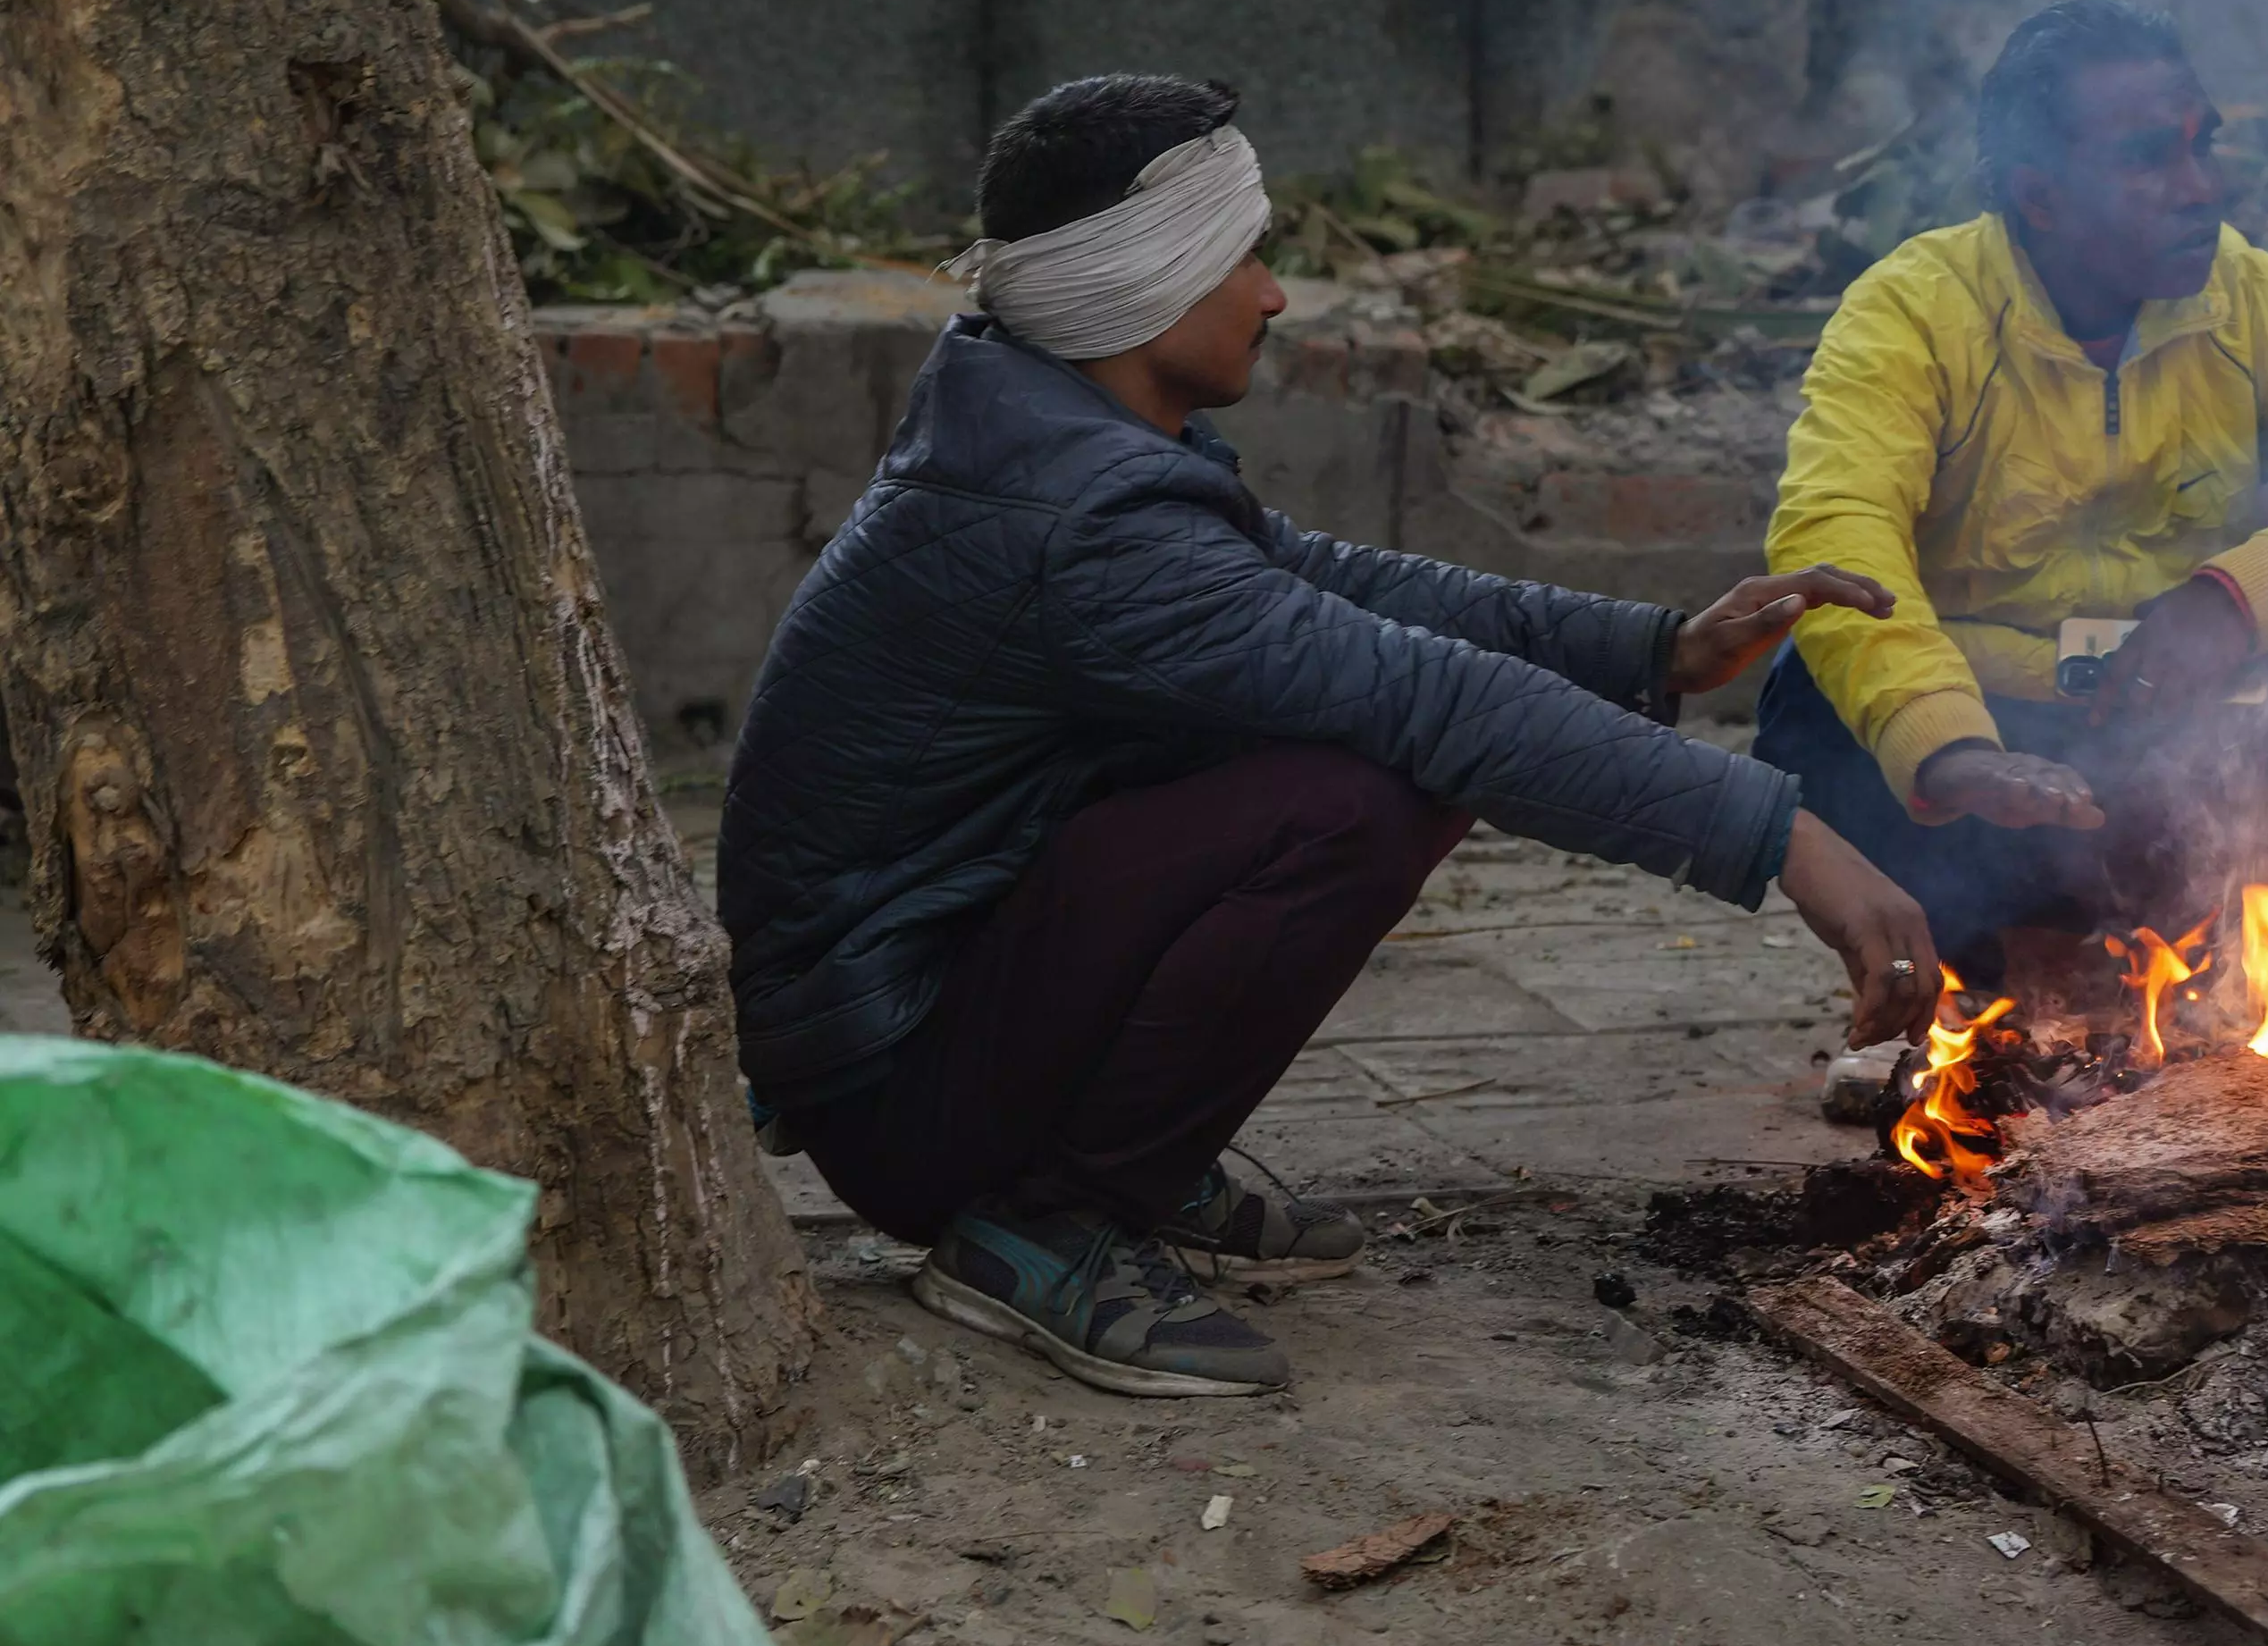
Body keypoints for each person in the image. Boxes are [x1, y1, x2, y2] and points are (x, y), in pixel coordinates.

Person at [720, 74, 1940, 1398]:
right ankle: (1048, 1218)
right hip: (901, 1094)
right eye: (1248, 253)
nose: (1276, 293)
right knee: (1360, 791)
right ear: (1149, 279)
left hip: (912, 1029)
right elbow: (1431, 697)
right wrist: (1788, 838)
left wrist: (1653, 649)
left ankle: (1111, 1153)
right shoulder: (1083, 517)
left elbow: (1335, 589)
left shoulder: (1046, 432)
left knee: (1346, 741)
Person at [1752, 0, 2268, 976]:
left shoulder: (2255, 301)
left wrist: (2234, 600)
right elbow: (1834, 536)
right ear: (2040, 199)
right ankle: (1979, 979)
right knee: (1811, 686)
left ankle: (2224, 962)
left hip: (2175, 730)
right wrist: (1947, 749)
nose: (2199, 188)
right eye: (2150, 158)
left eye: (2205, 147)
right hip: (1984, 760)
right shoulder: (1912, 309)